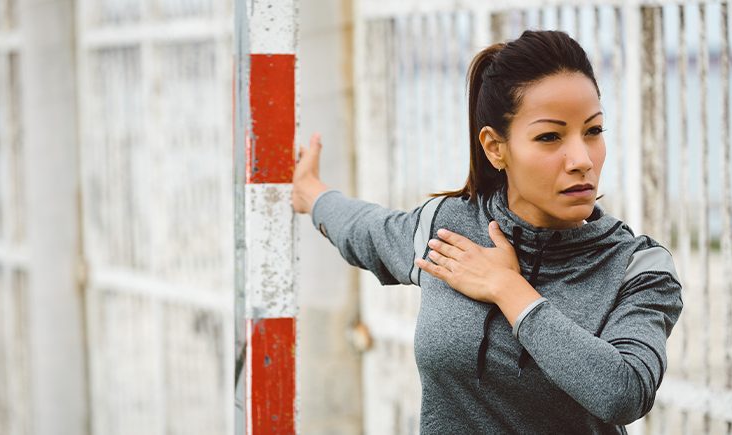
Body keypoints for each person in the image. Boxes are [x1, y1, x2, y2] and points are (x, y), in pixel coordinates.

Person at [292, 30, 683, 434]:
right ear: (496, 147)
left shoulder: (637, 267)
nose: (582, 159)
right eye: (550, 136)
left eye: (593, 130)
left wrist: (508, 289)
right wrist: (312, 194)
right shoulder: (447, 228)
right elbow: (366, 230)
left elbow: (624, 392)